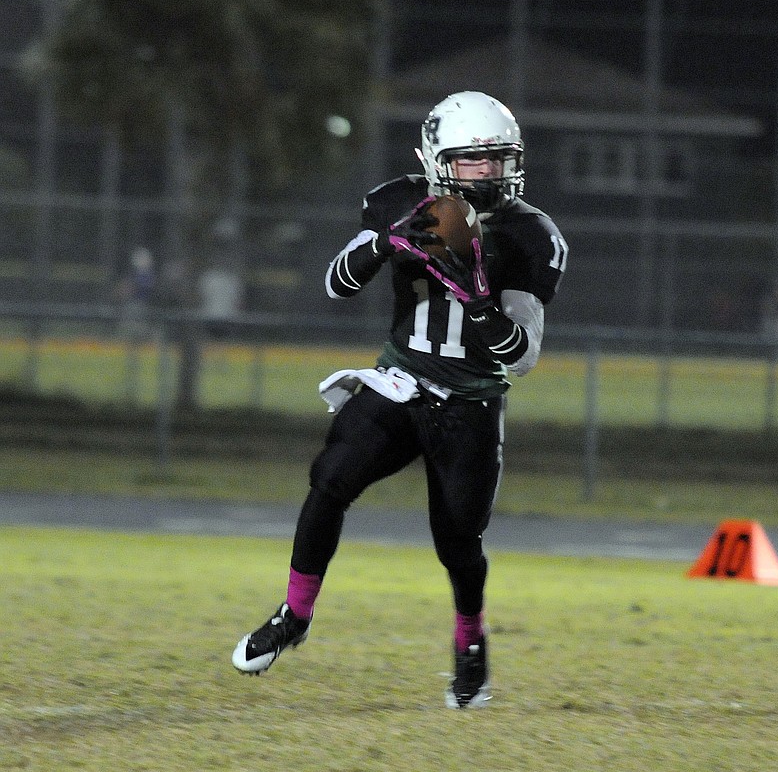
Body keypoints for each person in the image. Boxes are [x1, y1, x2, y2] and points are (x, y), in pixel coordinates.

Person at [232, 91, 568, 709]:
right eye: (475, 160)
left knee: (458, 540)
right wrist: (386, 243)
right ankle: (294, 616)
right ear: (440, 160)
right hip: (400, 381)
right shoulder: (401, 202)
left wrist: (481, 302)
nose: (491, 173)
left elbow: (520, 356)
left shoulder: (529, 235)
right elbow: (337, 283)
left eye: (499, 159)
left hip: (469, 400)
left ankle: (471, 645)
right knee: (330, 479)